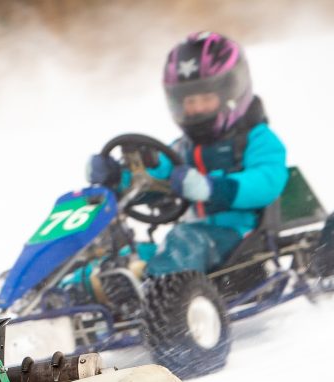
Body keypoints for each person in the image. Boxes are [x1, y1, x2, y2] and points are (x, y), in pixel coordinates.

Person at [88, 32, 289, 277]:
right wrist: (118, 178)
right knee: (123, 254)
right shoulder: (181, 149)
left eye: (206, 98)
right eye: (189, 101)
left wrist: (212, 188)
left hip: (241, 238)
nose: (196, 109)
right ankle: (72, 296)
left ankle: (162, 300)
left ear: (232, 95)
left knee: (183, 242)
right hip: (193, 243)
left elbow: (267, 182)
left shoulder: (258, 139)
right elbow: (153, 179)